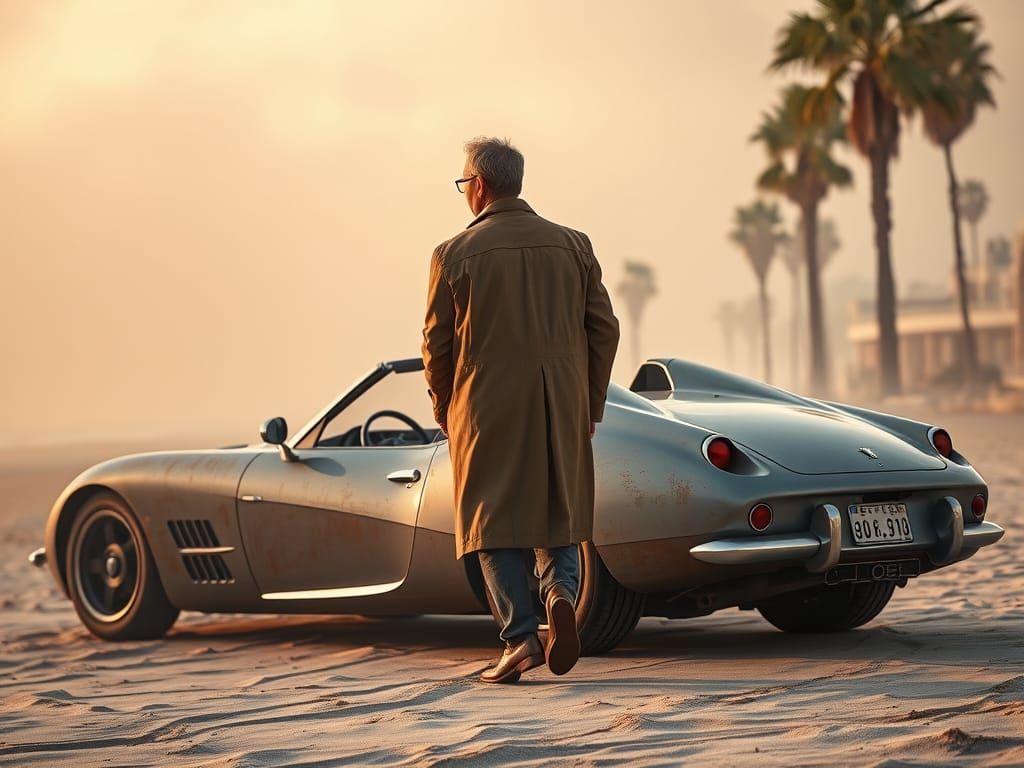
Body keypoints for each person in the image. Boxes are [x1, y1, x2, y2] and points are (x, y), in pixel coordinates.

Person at [421, 136, 620, 684]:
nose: (464, 192)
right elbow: (605, 329)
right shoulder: (573, 245)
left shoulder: (453, 255)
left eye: (464, 183)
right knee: (561, 509)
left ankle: (520, 639)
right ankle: (559, 591)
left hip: (485, 407)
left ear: (479, 185)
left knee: (492, 523)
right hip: (561, 401)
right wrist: (589, 399)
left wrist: (445, 407)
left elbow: (436, 347)